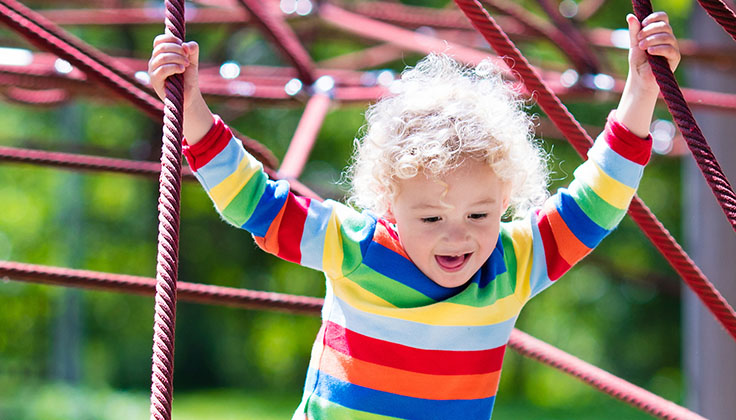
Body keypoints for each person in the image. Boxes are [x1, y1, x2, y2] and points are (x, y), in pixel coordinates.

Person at [148, 11, 679, 420]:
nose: (459, 235)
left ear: (505, 201)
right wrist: (192, 107)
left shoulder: (513, 264)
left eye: (479, 214)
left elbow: (596, 202)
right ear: (388, 206)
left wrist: (641, 89)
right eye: (430, 219)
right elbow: (256, 203)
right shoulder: (355, 247)